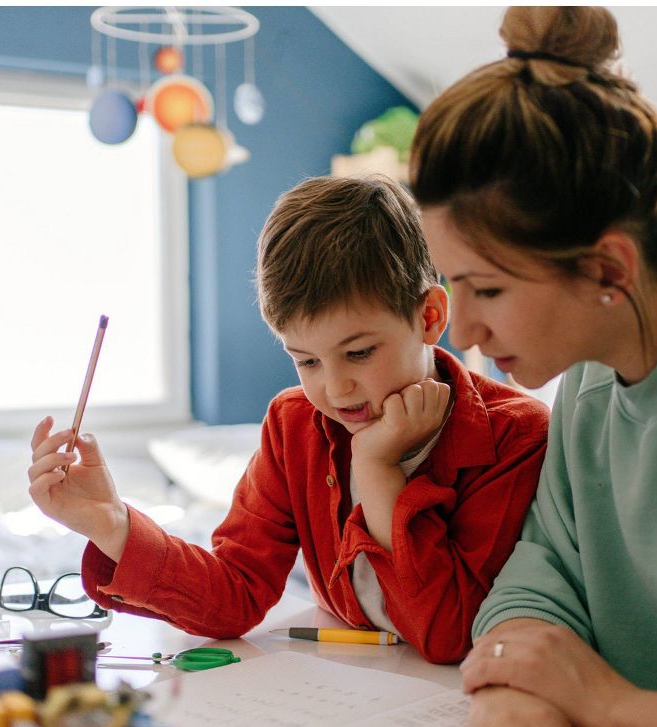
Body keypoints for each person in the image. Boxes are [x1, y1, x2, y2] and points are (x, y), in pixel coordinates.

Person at [28, 175, 549, 664]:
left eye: (359, 353)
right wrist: (112, 524)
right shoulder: (294, 423)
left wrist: (377, 468)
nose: (336, 389)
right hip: (347, 689)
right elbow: (235, 594)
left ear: (429, 316)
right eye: (307, 361)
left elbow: (449, 634)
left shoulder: (516, 435)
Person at [410, 5, 657, 727]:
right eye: (452, 286)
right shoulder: (588, 386)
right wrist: (510, 689)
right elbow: (541, 573)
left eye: (487, 289)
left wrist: (602, 705)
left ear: (608, 269)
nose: (462, 329)